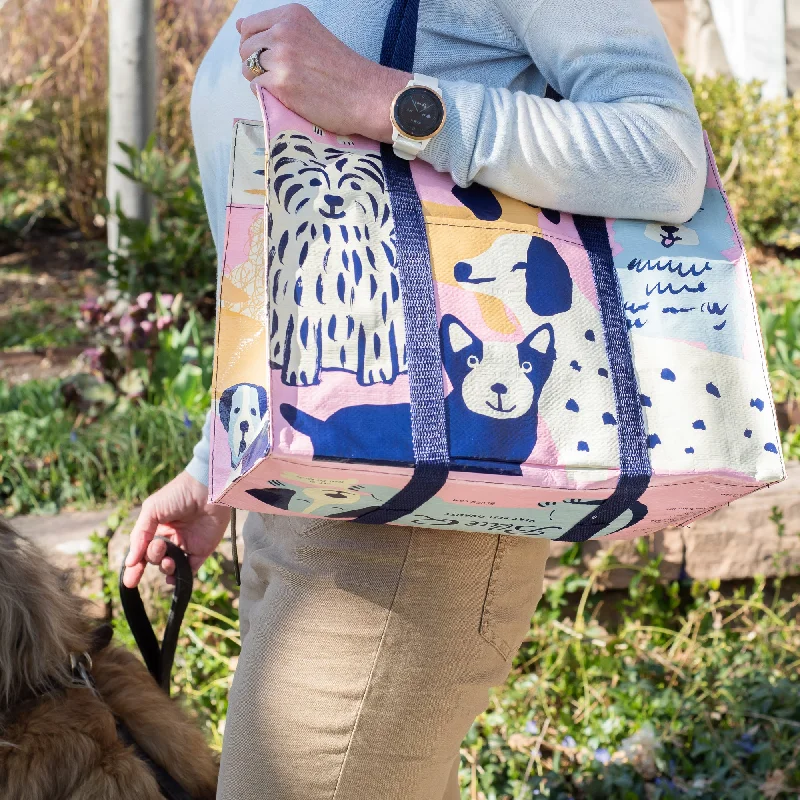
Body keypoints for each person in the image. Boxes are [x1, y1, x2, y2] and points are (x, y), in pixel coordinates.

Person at [124, 2, 705, 797]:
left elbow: (664, 153)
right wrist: (217, 461)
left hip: (421, 516)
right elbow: (285, 269)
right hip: (302, 491)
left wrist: (387, 100)